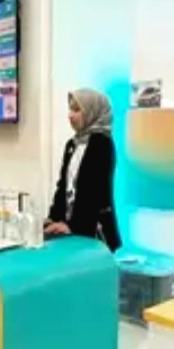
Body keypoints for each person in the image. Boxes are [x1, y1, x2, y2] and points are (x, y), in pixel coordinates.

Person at [45, 88, 121, 251]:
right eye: (70, 109)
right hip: (70, 231)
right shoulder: (72, 144)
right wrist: (52, 219)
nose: (70, 115)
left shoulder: (102, 144)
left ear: (92, 112)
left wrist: (73, 226)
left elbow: (94, 192)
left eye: (77, 110)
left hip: (93, 232)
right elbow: (63, 186)